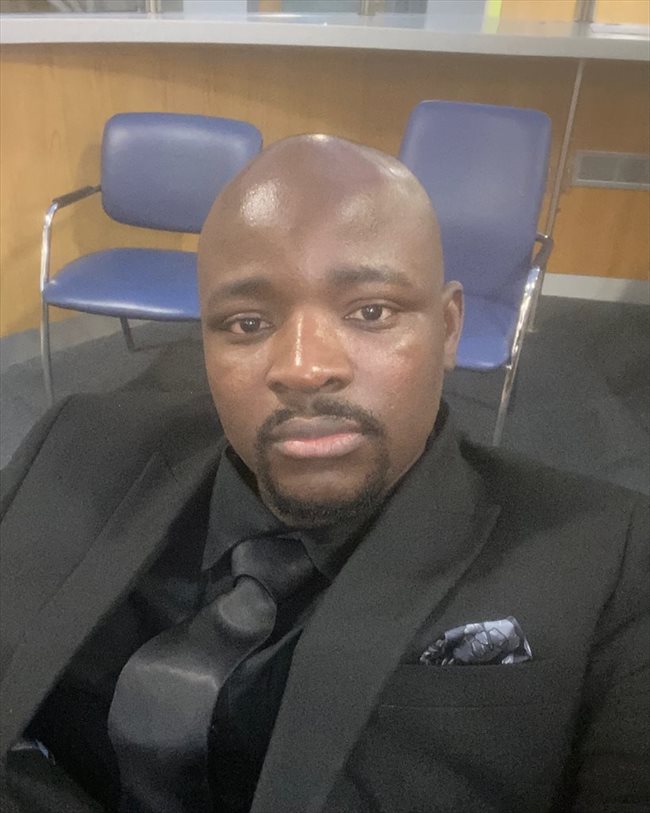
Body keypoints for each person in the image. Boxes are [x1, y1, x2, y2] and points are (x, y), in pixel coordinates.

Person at [1, 135, 648, 813]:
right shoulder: (76, 443)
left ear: (448, 328)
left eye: (371, 312)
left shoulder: (608, 556)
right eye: (247, 322)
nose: (304, 368)